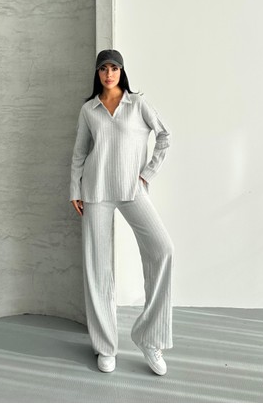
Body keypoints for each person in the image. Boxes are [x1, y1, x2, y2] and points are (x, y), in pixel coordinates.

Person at [69, 49, 174, 375]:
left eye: (114, 67)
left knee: (163, 250)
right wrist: (75, 190)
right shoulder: (89, 110)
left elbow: (164, 136)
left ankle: (150, 338)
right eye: (103, 68)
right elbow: (79, 153)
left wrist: (147, 173)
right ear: (98, 73)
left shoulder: (137, 104)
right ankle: (105, 347)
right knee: (98, 268)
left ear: (121, 71)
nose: (109, 73)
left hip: (132, 190)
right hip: (96, 192)